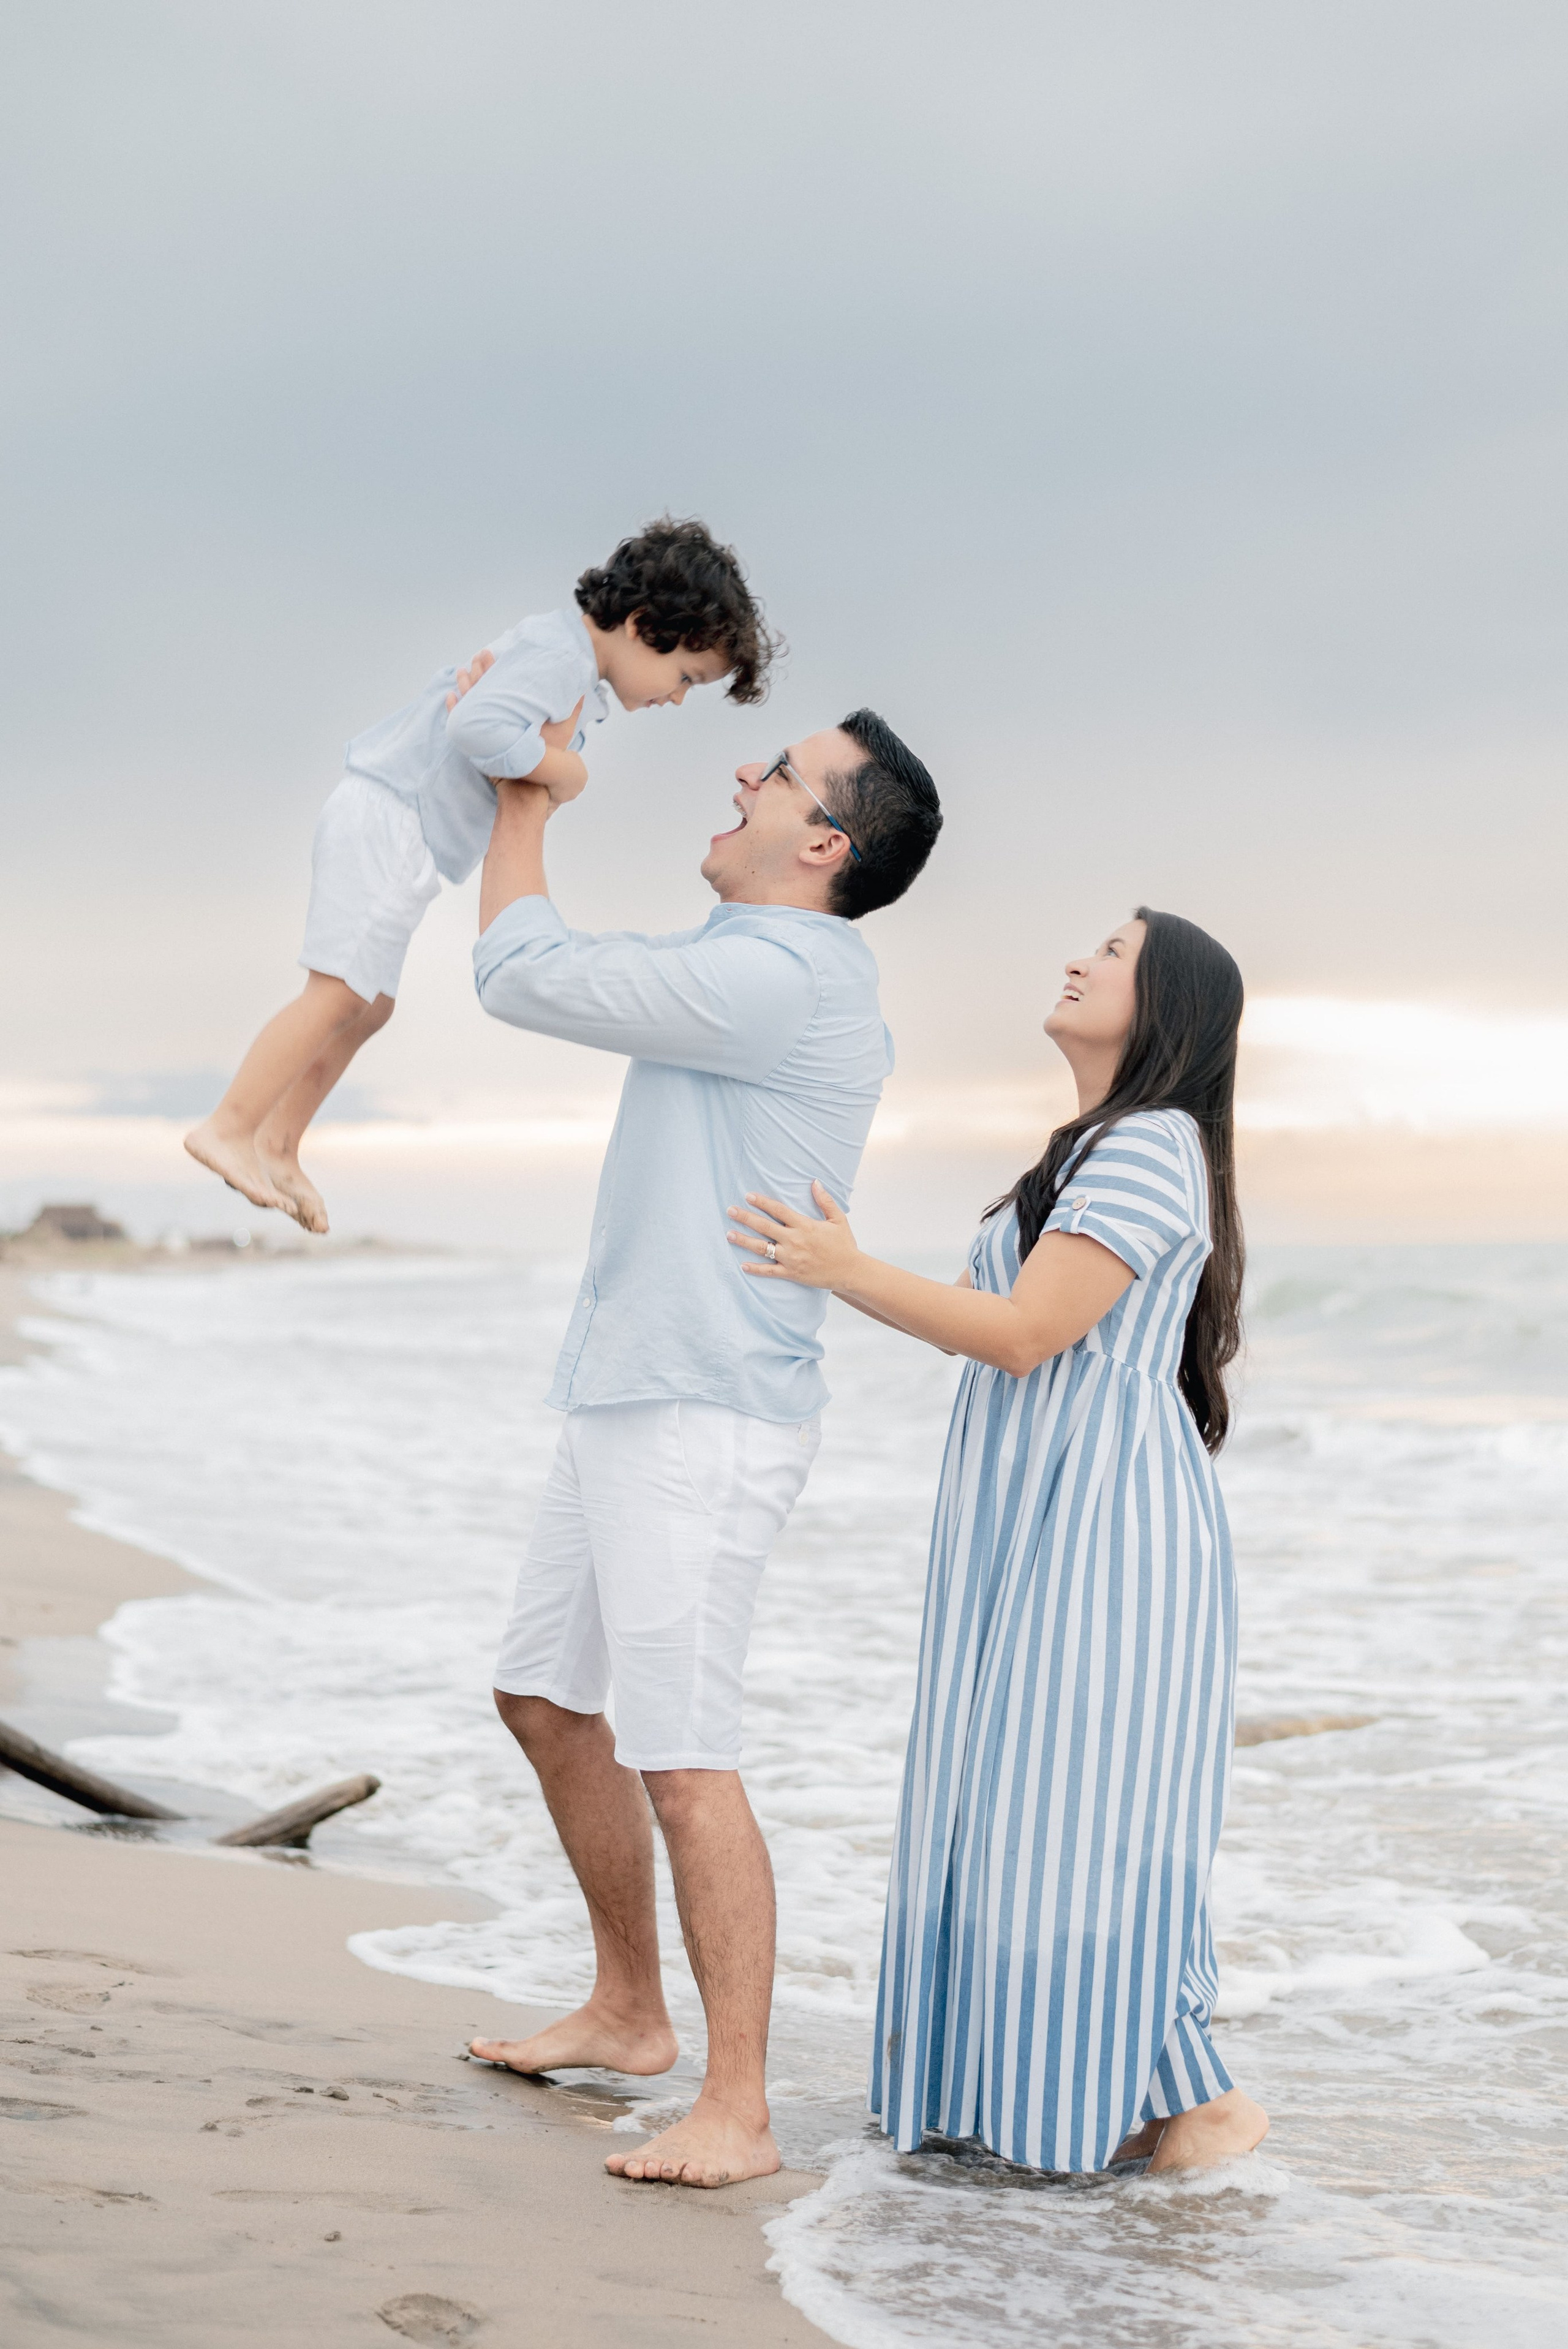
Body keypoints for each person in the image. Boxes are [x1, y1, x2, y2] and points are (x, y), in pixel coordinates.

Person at [463, 709, 943, 2190]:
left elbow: (518, 972)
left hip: (703, 1412)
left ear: (822, 843)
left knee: (680, 1752)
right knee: (546, 1695)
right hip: (630, 1390)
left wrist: (526, 801)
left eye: (778, 772)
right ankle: (627, 2006)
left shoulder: (773, 976)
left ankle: (737, 2107)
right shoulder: (746, 966)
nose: (742, 772)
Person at [726, 908, 1270, 2175]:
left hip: (1101, 1534)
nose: (1079, 958)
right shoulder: (1097, 1150)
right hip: (1040, 1517)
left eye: (1117, 953)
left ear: (1168, 1007)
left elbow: (1026, 1332)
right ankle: (1112, 2103)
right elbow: (1009, 1325)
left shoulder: (1147, 1148)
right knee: (1026, 1804)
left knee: (1073, 1814)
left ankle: (1182, 2105)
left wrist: (840, 1267)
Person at [184, 517, 775, 1235]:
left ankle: (279, 1143)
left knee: (369, 1006)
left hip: (409, 837)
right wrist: (568, 770)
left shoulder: (570, 665)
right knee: (337, 990)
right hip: (388, 813)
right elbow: (477, 729)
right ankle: (230, 1126)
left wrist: (551, 769)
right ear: (643, 623)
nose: (678, 697)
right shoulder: (560, 655)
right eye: (686, 675)